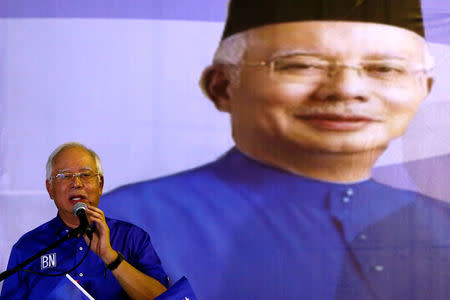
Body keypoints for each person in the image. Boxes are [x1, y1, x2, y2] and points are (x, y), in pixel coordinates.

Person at [101, 0, 450, 299]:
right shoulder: (124, 226)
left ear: (424, 89)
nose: (347, 89)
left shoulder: (441, 224)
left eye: (385, 69)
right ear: (222, 86)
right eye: (303, 65)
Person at [1, 143, 168, 299]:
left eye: (85, 175)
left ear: (100, 184)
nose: (76, 183)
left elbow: (165, 298)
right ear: (50, 188)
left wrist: (109, 256)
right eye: (65, 175)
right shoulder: (27, 249)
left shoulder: (132, 238)